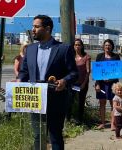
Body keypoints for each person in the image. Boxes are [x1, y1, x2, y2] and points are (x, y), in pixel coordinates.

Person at [18, 15, 78, 150]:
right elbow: (24, 71)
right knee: (38, 135)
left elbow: (74, 73)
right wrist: (19, 80)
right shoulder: (31, 49)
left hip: (56, 99)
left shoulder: (63, 49)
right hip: (34, 99)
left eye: (36, 26)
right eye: (33, 26)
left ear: (47, 29)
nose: (33, 29)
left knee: (55, 135)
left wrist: (64, 81)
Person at [95, 39, 120, 130]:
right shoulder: (99, 56)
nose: (107, 47)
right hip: (101, 84)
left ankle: (113, 124)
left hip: (112, 84)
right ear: (103, 46)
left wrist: (110, 79)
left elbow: (118, 72)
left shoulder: (116, 56)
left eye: (109, 45)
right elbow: (96, 72)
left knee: (113, 103)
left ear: (112, 46)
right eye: (106, 45)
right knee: (102, 103)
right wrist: (97, 84)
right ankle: (102, 123)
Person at [72, 38, 91, 123]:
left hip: (82, 83)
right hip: (72, 84)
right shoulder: (71, 57)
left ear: (82, 46)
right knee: (70, 101)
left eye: (79, 45)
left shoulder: (86, 57)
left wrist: (84, 83)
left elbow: (88, 71)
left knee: (81, 102)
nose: (77, 46)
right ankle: (69, 118)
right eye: (76, 45)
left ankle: (80, 120)